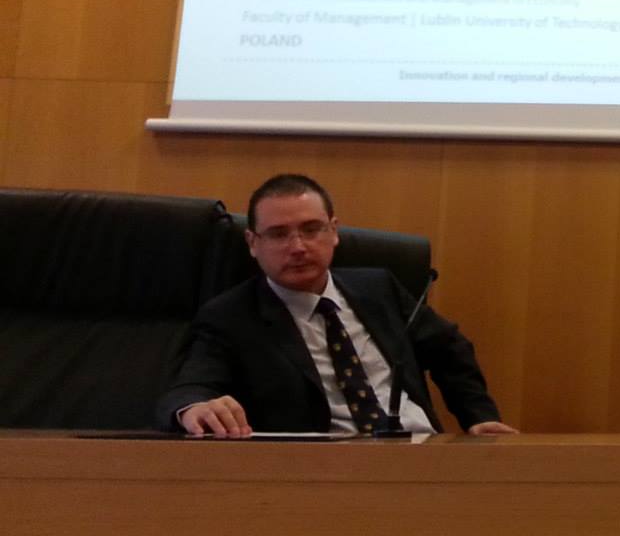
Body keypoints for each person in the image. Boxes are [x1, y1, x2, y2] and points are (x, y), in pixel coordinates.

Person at [159, 173, 516, 439]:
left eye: (311, 229)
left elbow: (450, 350)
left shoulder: (379, 289)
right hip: (323, 471)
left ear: (334, 231)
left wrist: (478, 417)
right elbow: (190, 387)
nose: (298, 247)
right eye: (279, 234)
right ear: (252, 243)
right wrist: (194, 408)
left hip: (421, 451)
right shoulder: (230, 316)